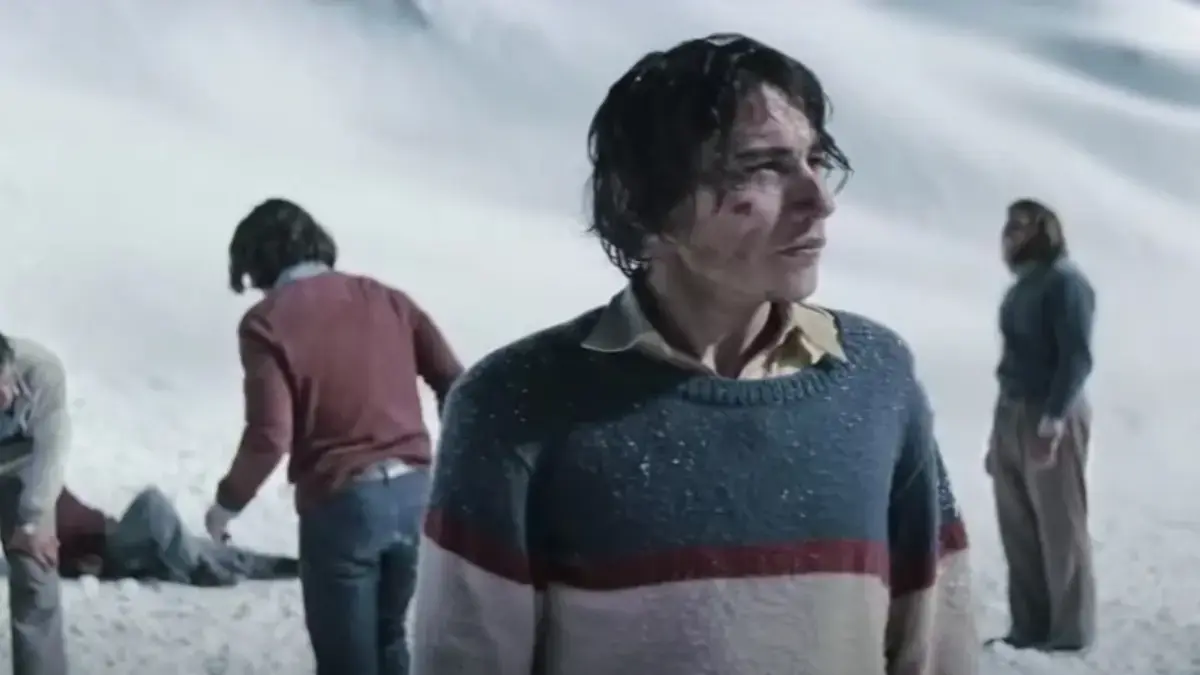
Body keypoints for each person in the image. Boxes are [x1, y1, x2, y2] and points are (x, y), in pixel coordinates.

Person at [408, 33, 977, 675]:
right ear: (642, 202)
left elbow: (937, 644)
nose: (820, 199)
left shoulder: (874, 378)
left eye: (816, 160)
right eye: (761, 166)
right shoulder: (517, 404)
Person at [204, 198, 464, 675]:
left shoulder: (266, 322)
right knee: (390, 640)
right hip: (415, 497)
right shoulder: (388, 299)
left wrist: (227, 503)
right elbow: (458, 385)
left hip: (343, 504)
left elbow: (270, 434)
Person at [985, 198, 1096, 652]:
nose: (1010, 232)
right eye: (1008, 224)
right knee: (1019, 527)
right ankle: (1028, 629)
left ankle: (1069, 635)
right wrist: (998, 439)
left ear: (1044, 230)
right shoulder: (1021, 287)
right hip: (1011, 409)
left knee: (1059, 527)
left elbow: (1076, 358)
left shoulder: (1066, 283)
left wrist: (1052, 423)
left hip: (1052, 409)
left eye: (1022, 224)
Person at [19, 486, 297, 585]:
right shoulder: (23, 504)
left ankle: (290, 566)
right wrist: (82, 564)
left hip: (119, 539)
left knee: (209, 550)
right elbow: (42, 551)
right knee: (151, 504)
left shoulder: (45, 478)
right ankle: (195, 569)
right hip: (111, 552)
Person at [0, 333, 70, 675]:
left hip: (21, 468)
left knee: (35, 569)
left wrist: (31, 523)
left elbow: (51, 450)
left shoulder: (43, 371)